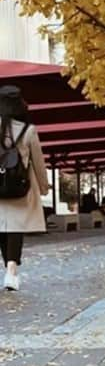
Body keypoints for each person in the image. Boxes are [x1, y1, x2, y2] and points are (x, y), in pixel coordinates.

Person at [0, 84, 49, 292]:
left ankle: (8, 268)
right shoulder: (29, 130)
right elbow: (38, 162)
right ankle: (11, 270)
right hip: (20, 185)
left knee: (2, 227)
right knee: (15, 228)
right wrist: (44, 187)